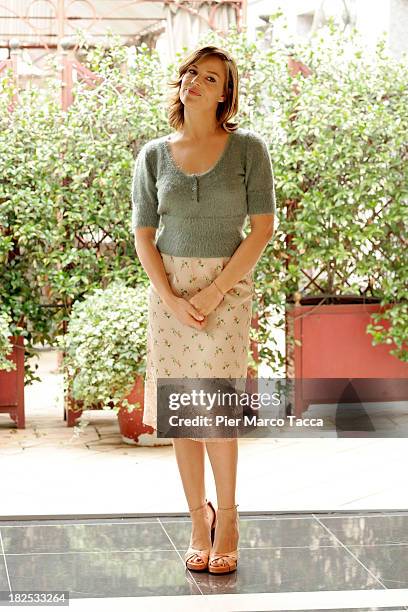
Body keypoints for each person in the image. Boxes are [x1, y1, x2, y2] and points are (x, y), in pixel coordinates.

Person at [131, 45, 276, 574]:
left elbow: (263, 228)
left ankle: (230, 517)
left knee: (213, 413)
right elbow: (144, 235)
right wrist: (169, 295)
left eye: (208, 77)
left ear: (224, 94)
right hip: (168, 290)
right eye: (191, 73)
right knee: (181, 417)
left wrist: (214, 292)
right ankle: (199, 519)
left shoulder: (248, 151)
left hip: (226, 288)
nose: (194, 81)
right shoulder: (152, 155)